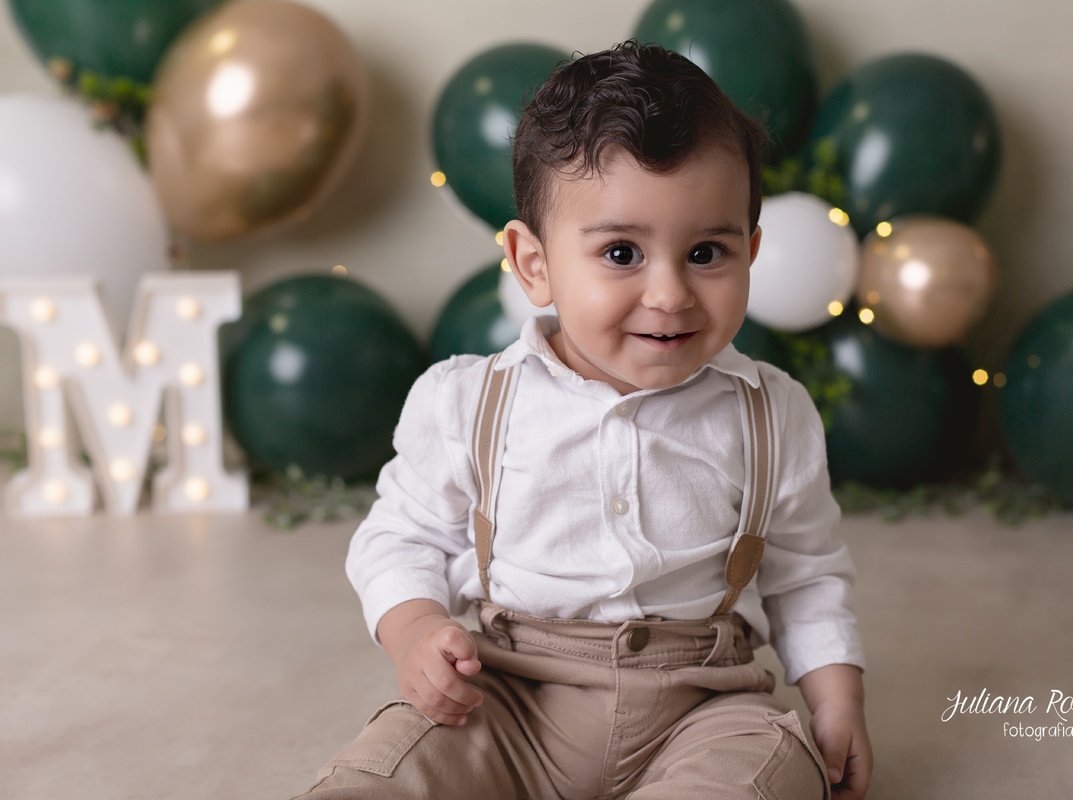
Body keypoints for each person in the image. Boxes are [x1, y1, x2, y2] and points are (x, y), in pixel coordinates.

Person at [295, 41, 871, 800]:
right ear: (533, 263)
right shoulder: (469, 402)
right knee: (396, 766)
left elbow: (805, 576)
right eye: (623, 252)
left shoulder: (770, 413)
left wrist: (836, 701)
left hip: (702, 702)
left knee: (765, 768)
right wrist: (414, 632)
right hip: (506, 700)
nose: (669, 294)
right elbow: (399, 537)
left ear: (751, 252)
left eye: (705, 252)